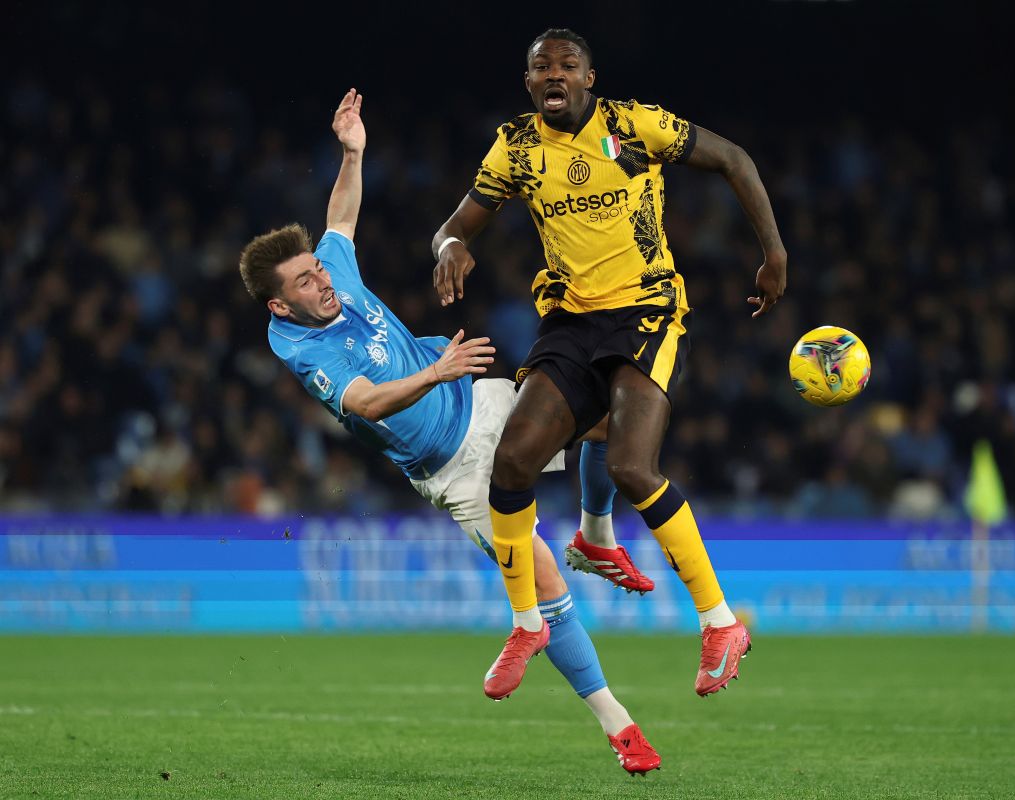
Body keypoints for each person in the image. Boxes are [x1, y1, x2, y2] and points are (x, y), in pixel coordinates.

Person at [238, 89, 660, 776]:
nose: (323, 282)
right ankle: (621, 726)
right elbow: (368, 404)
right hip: (452, 470)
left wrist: (353, 153)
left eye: (318, 270)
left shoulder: (330, 272)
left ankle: (597, 534)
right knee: (544, 579)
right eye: (307, 283)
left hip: (481, 396)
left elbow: (340, 217)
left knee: (619, 410)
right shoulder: (299, 349)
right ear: (280, 304)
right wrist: (436, 372)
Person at [432, 28, 787, 699]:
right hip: (570, 321)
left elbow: (735, 159)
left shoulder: (635, 125)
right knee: (512, 463)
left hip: (646, 310)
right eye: (542, 68)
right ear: (529, 83)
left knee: (630, 465)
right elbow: (454, 224)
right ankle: (528, 621)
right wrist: (448, 247)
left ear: (590, 78)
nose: (554, 74)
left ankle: (719, 624)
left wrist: (773, 253)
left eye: (568, 65)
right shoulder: (515, 147)